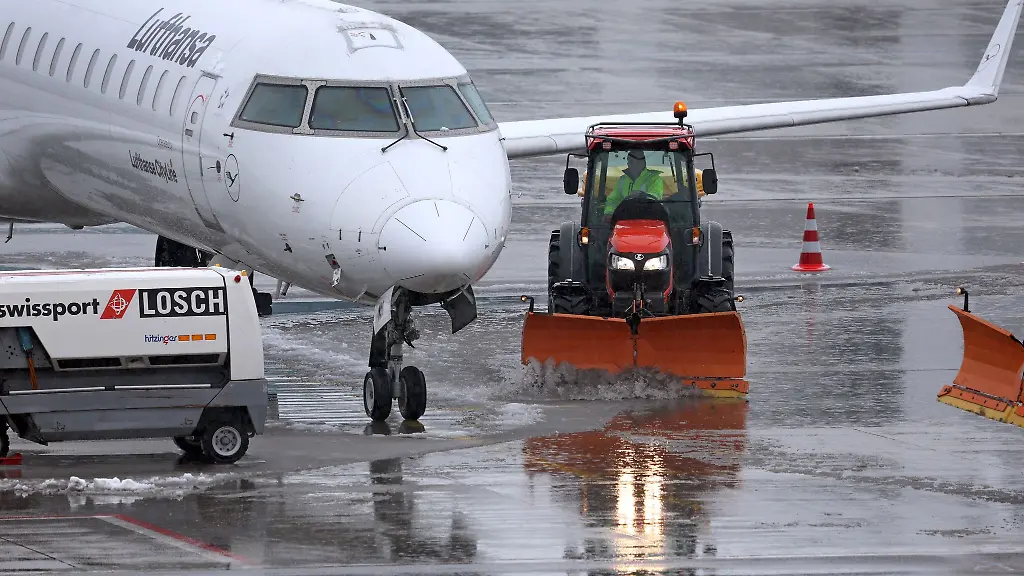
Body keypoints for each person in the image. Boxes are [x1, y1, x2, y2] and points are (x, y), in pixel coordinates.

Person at [603, 150, 665, 216]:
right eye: (629, 161)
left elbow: (656, 196)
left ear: (643, 162)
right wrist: (609, 213)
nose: (630, 164)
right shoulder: (622, 180)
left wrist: (642, 196)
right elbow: (613, 200)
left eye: (633, 161)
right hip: (624, 219)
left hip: (648, 218)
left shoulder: (654, 179)